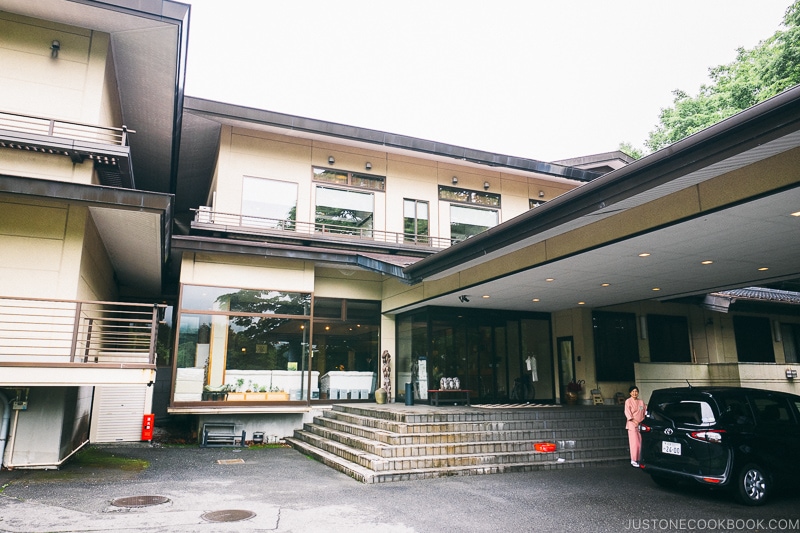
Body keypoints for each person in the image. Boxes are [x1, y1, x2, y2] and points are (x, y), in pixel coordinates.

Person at [625, 385, 646, 467]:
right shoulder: (628, 401)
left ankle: (640, 459)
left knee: (641, 442)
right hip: (632, 425)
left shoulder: (641, 402)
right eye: (633, 391)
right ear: (630, 393)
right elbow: (627, 413)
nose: (635, 393)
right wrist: (635, 421)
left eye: (636, 391)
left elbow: (645, 411)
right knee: (635, 443)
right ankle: (634, 460)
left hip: (641, 424)